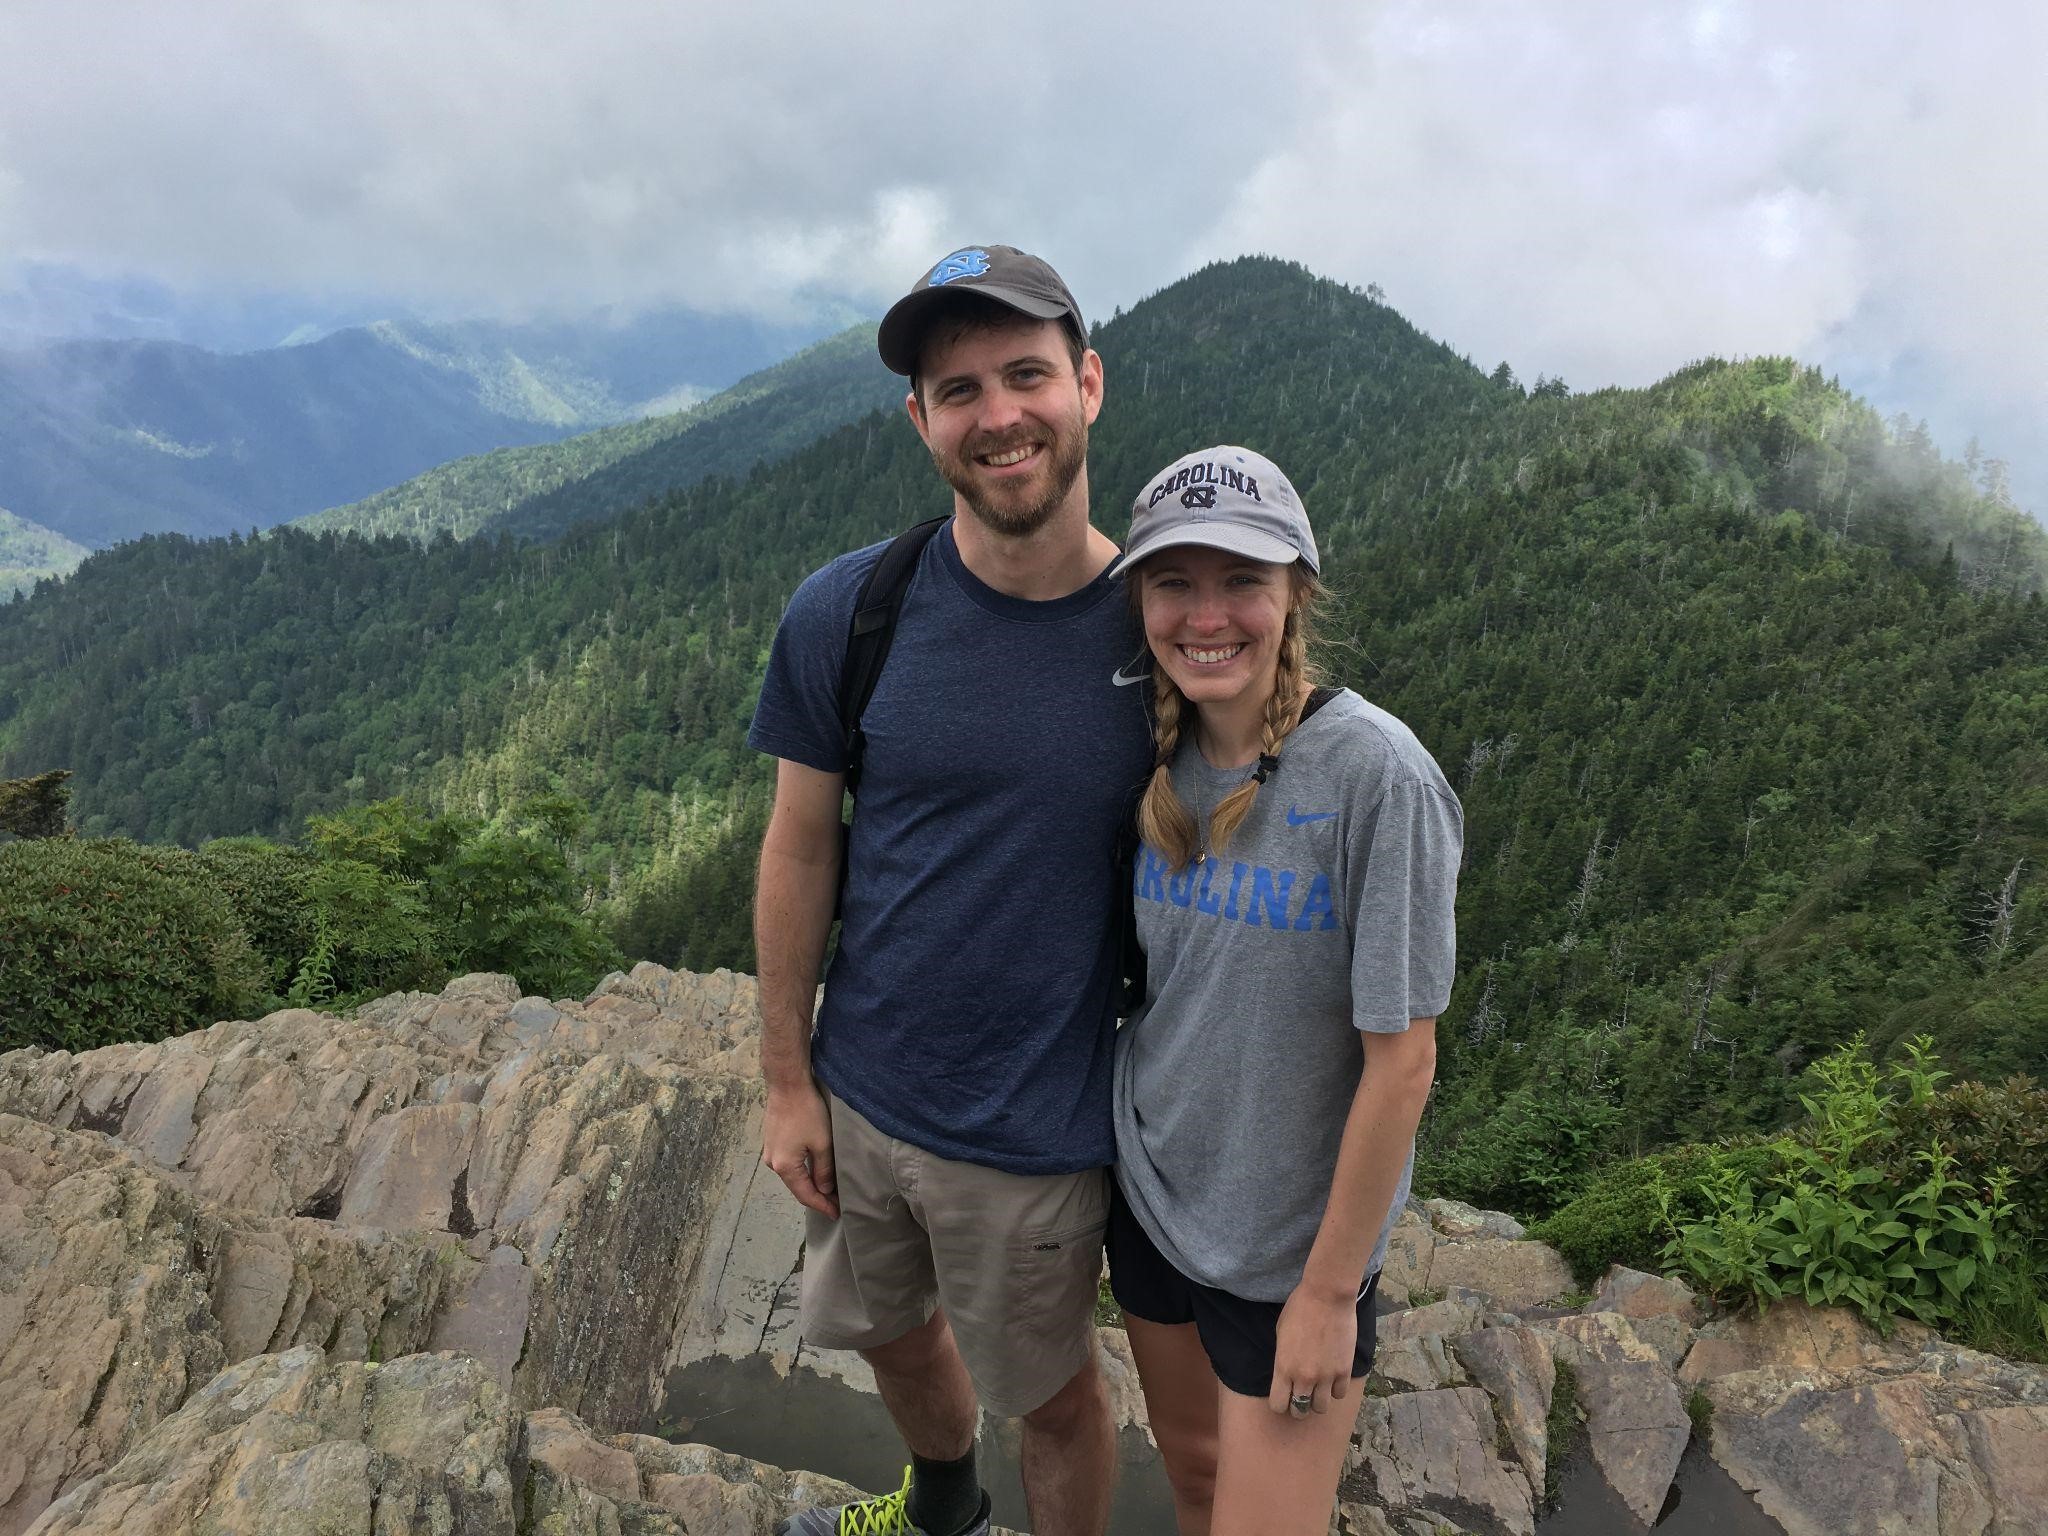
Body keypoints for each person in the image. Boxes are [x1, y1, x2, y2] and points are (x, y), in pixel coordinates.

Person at [747, 245, 1154, 1536]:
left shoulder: (1167, 632)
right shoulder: (851, 610)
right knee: (887, 1330)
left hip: (1036, 1132)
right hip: (862, 1094)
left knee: (1052, 1398)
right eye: (958, 390)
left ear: (1088, 384)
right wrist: (786, 1079)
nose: (999, 416)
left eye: (1026, 374)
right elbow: (801, 846)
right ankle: (940, 1516)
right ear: (919, 420)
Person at [1107, 445, 1462, 1536]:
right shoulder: (1144, 747)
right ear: (1139, 600)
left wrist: (1324, 1292)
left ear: (1294, 593)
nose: (1205, 617)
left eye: (1241, 583)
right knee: (1198, 1488)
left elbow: (1402, 1064)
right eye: (1174, 583)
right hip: (1152, 1200)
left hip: (1285, 1253)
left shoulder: (1375, 778)